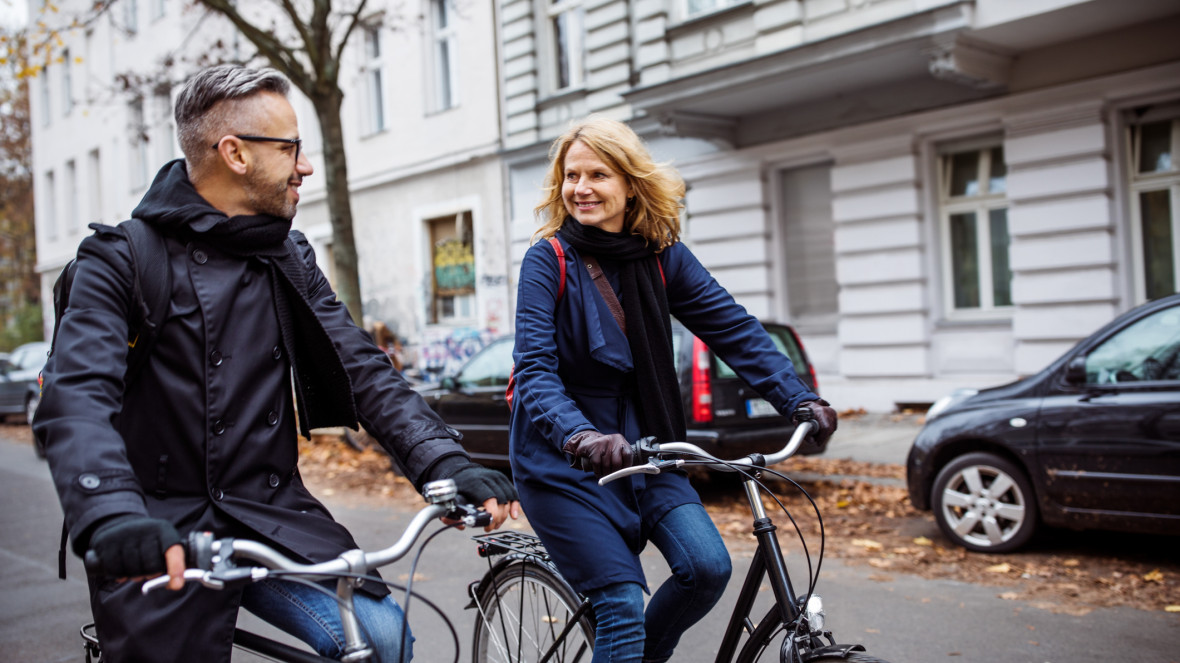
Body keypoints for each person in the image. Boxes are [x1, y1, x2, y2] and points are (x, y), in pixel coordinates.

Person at [34, 64, 520, 663]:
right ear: (234, 153)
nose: (305, 165)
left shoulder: (286, 253)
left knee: (380, 640)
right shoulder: (122, 260)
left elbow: (360, 368)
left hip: (270, 517)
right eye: (290, 147)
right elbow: (75, 396)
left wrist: (444, 461)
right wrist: (109, 514)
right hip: (159, 530)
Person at [508, 117, 838, 663]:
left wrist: (797, 397)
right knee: (619, 602)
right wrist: (582, 436)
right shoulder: (549, 259)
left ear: (631, 183)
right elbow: (534, 371)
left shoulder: (662, 256)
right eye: (572, 175)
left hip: (648, 448)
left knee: (706, 568)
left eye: (598, 174)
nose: (581, 188)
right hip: (564, 457)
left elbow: (731, 327)